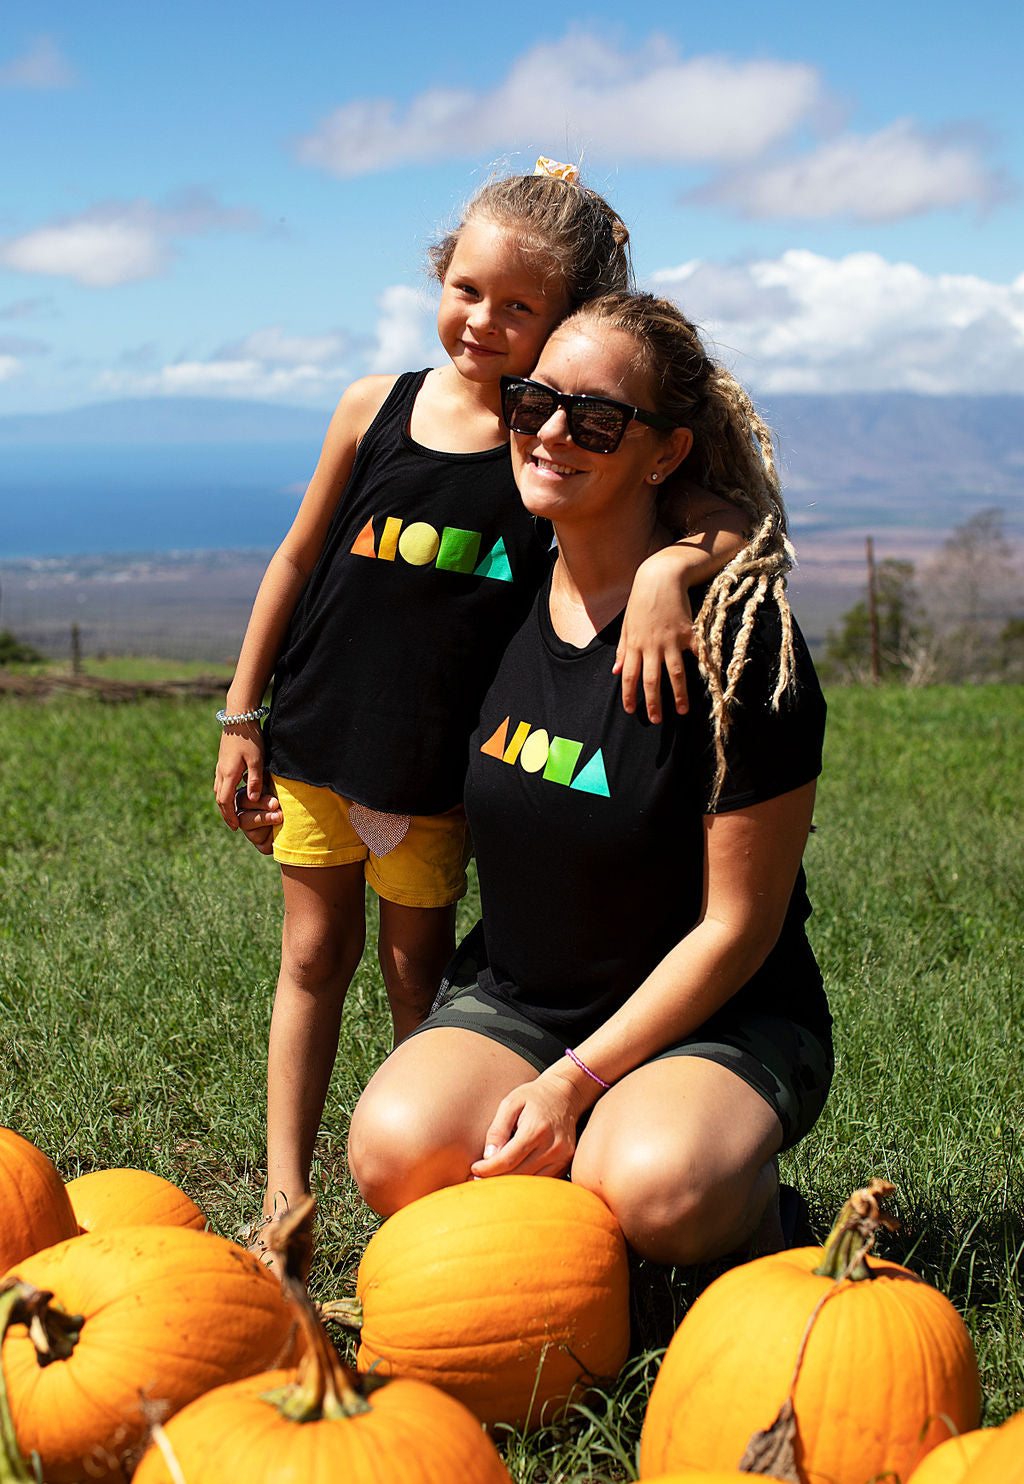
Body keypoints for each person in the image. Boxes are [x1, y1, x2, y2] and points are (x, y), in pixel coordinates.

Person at [212, 168, 748, 1264]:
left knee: (418, 973)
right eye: (468, 288)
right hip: (320, 742)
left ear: (562, 325)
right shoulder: (375, 408)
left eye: (520, 308)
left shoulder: (550, 445)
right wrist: (240, 713)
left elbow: (726, 519)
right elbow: (297, 557)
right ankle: (282, 1197)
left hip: (439, 778)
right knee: (311, 960)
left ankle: (457, 1188)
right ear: (436, 276)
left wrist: (668, 575)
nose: (485, 323)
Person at [347, 291, 834, 1266]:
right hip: (524, 999)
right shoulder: (507, 581)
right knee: (394, 1156)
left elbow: (738, 929)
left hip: (720, 1017)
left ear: (663, 453)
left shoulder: (739, 645)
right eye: (533, 404)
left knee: (651, 1191)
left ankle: (763, 1222)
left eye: (597, 418)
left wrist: (574, 1082)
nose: (554, 432)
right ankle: (577, 1230)